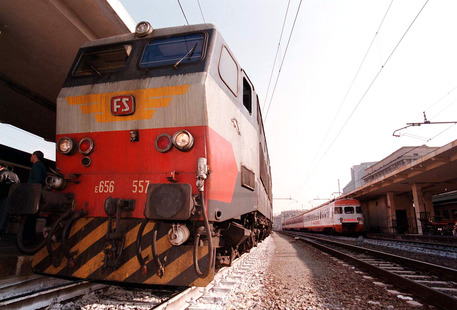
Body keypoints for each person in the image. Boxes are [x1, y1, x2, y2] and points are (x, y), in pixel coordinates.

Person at [24, 151, 48, 242]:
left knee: (29, 218)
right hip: (36, 194)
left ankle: (28, 239)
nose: (30, 157)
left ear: (35, 156)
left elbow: (37, 181)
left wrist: (30, 192)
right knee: (31, 218)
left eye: (32, 155)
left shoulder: (37, 166)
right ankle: (30, 239)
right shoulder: (41, 166)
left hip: (33, 194)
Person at [0, 163, 20, 233]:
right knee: (7, 213)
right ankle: (4, 229)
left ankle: (1, 228)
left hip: (5, 195)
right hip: (12, 196)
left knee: (2, 212)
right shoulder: (15, 175)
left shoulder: (3, 173)